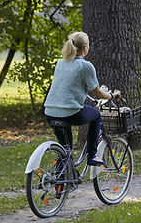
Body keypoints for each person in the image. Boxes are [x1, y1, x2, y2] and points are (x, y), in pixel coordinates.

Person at [44, 31, 120, 166]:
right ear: (85, 47)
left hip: (50, 112)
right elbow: (98, 94)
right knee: (96, 115)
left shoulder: (61, 63)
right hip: (70, 113)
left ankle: (62, 183)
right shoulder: (85, 66)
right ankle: (92, 155)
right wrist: (112, 96)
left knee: (65, 149)